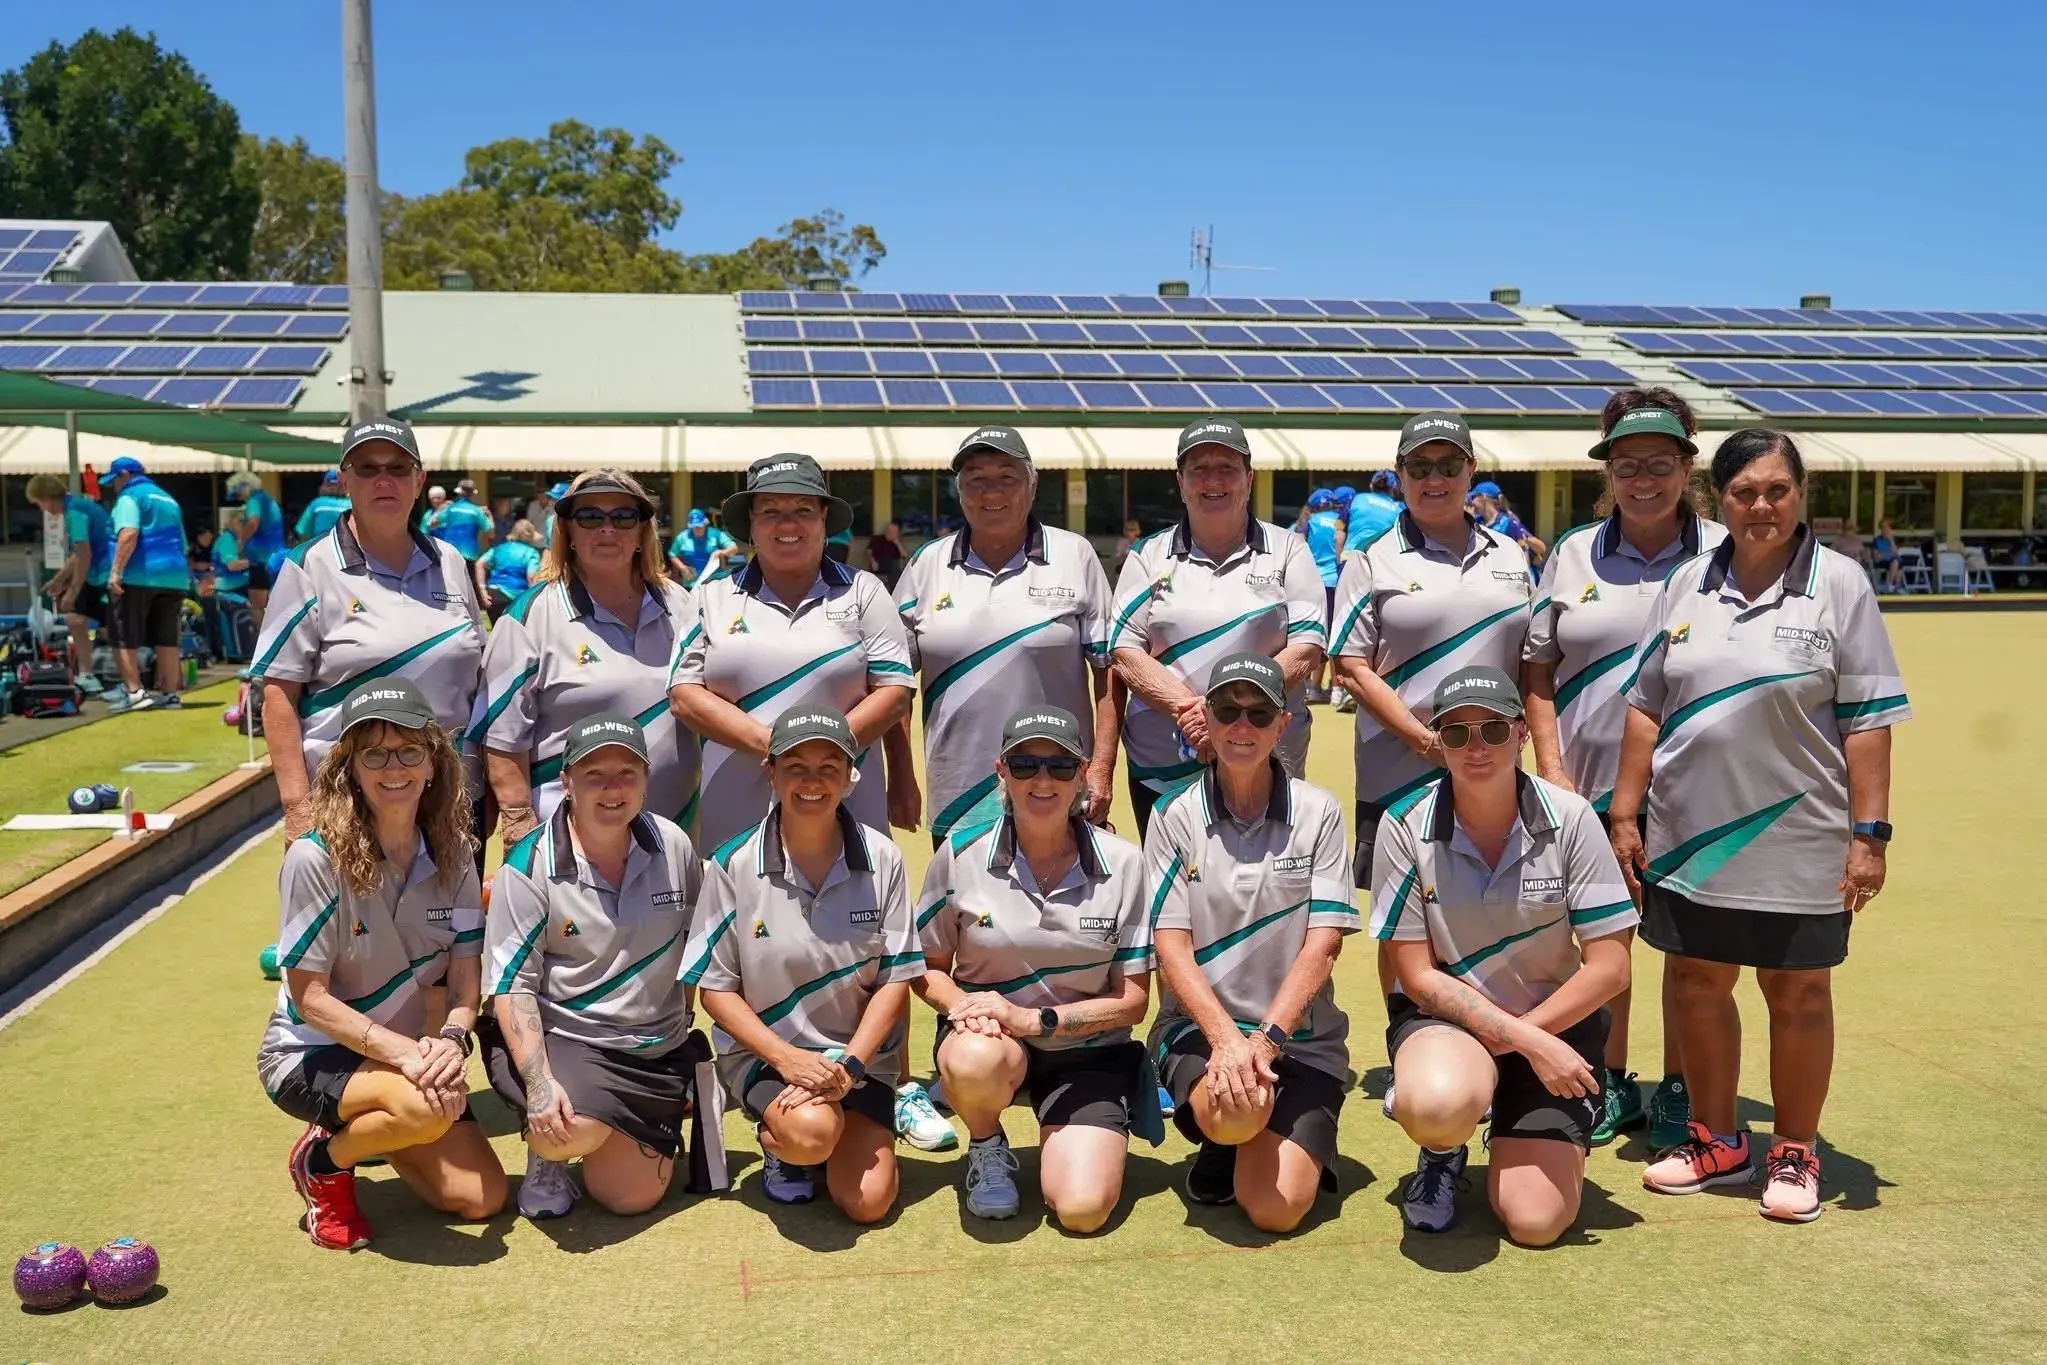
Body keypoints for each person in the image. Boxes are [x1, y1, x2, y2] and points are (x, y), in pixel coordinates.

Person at [1613, 429, 1909, 1224]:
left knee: (1797, 990)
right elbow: (1644, 707)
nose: (1761, 506)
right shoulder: (1683, 584)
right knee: (1697, 982)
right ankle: (1716, 1138)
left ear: (1799, 493)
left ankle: (1793, 1148)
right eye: (1744, 492)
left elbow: (1868, 719)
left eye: (1776, 489)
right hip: (1688, 833)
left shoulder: (1840, 585)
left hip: (1799, 834)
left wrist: (1868, 834)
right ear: (1718, 501)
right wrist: (1623, 813)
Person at [1521, 389, 1728, 1150]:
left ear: (1686, 467)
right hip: (1581, 786)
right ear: (1607, 469)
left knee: (1687, 947)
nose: (1643, 479)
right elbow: (1536, 669)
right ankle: (1607, 1080)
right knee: (1599, 944)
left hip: (1696, 788)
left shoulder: (1723, 550)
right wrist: (1551, 768)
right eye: (1627, 464)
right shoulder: (1571, 552)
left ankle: (1678, 1086)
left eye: (1660, 464)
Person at [1371, 666, 1637, 1241]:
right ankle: (1443, 1149)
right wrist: (1525, 1041)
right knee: (1437, 1104)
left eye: (1492, 730)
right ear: (1437, 740)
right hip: (1450, 1023)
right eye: (1457, 732)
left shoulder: (1572, 818)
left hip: (1556, 1022)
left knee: (1535, 1221)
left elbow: (1612, 967)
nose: (1476, 747)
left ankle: (1510, 1121)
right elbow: (1415, 976)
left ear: (1520, 732)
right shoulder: (1402, 824)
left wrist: (1530, 1037)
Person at [257, 679, 506, 1250]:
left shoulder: (454, 853)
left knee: (481, 1199)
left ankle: (372, 1127)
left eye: (409, 750)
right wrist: (407, 1058)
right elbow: (309, 998)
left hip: (409, 1054)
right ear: (350, 767)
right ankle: (323, 1161)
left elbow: (466, 980)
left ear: (433, 761)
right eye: (375, 753)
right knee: (422, 1105)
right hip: (309, 1053)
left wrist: (449, 1042)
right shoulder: (314, 857)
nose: (394, 767)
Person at [915, 706, 1152, 1229]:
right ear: (1002, 770)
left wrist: (1036, 1021)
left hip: (1088, 1053)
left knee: (1082, 1210)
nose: (1042, 780)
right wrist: (965, 1008)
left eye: (1059, 766)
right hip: (991, 1043)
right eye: (1025, 764)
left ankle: (1082, 1132)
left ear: (1083, 774)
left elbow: (1134, 1000)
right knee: (975, 1058)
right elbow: (926, 968)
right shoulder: (959, 853)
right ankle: (985, 1144)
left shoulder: (1125, 863)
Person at [1330, 412, 1532, 1023]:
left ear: (1472, 471)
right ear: (1400, 476)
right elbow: (1350, 664)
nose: (1435, 479)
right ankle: (1408, 1036)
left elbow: (1530, 658)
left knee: (1491, 903)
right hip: (1400, 768)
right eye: (1419, 467)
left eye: (1449, 466)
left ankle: (1493, 1033)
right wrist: (1423, 740)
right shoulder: (1372, 559)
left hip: (1492, 766)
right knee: (1403, 914)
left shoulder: (1510, 555)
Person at [683, 708, 923, 1221]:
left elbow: (895, 980)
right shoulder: (733, 863)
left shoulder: (884, 858)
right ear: (770, 773)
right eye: (796, 766)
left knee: (868, 1205)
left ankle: (829, 1125)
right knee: (812, 1135)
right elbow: (716, 991)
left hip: (857, 1063)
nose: (812, 782)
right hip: (770, 1058)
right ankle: (782, 1143)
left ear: (850, 775)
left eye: (828, 766)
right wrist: (788, 1061)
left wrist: (851, 1065)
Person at [1146, 653, 1356, 1230]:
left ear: (1282, 725)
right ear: (1205, 721)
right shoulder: (1172, 815)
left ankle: (1266, 1134)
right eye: (1227, 711)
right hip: (1199, 1031)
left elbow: (1325, 944)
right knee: (1234, 1115)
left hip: (1298, 1039)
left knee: (1276, 1211)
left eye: (1259, 713)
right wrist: (1224, 1041)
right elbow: (1171, 946)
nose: (1242, 726)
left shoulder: (1320, 812)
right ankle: (1227, 1136)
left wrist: (1262, 1044)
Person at [482, 714, 709, 1220]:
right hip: (569, 1039)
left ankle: (606, 1127)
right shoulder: (528, 865)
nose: (612, 789)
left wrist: (684, 1022)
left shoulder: (674, 844)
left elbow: (695, 945)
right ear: (566, 782)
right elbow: (511, 987)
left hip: (653, 1047)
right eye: (594, 775)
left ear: (646, 781)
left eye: (627, 773)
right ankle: (547, 1151)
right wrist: (539, 1085)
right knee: (568, 1134)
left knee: (631, 1198)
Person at [249, 418, 488, 842]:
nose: (384, 481)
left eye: (398, 468)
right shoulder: (309, 566)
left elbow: (477, 678)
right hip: (349, 803)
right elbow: (277, 695)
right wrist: (298, 809)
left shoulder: (450, 561)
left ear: (419, 481)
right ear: (345, 480)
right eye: (367, 469)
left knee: (456, 913)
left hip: (450, 803)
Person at [668, 453, 915, 852]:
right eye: (770, 511)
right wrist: (778, 747)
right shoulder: (709, 596)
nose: (787, 523)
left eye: (803, 509)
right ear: (750, 524)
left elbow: (894, 693)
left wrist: (818, 755)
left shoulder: (866, 590)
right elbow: (684, 696)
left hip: (847, 806)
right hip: (734, 815)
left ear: (823, 520)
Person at [887, 426, 1117, 844]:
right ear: (960, 492)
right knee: (964, 910)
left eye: (1006, 477)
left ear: (1032, 486)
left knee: (1065, 907)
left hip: (1058, 787)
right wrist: (901, 775)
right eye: (976, 479)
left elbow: (1109, 674)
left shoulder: (1075, 555)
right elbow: (894, 683)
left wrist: (1101, 769)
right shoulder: (926, 564)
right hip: (958, 799)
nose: (991, 492)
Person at [1110, 418, 1326, 841]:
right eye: (1199, 469)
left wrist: (1226, 716)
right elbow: (1125, 652)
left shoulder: (1288, 550)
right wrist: (1195, 714)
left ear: (1249, 478)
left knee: (1267, 894)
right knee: (1172, 896)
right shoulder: (1147, 556)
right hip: (1163, 768)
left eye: (1226, 468)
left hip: (1265, 758)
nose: (1213, 480)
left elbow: (1306, 647)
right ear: (1181, 481)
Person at [474, 469, 699, 843]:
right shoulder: (529, 617)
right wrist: (519, 829)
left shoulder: (682, 604)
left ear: (643, 531)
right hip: (569, 844)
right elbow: (502, 738)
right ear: (568, 532)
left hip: (675, 840)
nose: (607, 528)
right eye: (590, 517)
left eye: (624, 517)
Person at [103, 455, 192, 713]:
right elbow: (183, 544)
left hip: (140, 575)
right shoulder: (168, 499)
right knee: (167, 637)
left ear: (124, 476)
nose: (114, 486)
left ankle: (134, 692)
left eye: (114, 480)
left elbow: (128, 533)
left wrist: (115, 572)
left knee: (123, 635)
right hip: (174, 576)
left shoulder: (129, 497)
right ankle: (171, 694)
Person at [24, 473, 112, 695]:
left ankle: (126, 677)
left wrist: (71, 591)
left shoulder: (75, 512)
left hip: (106, 573)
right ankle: (88, 675)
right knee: (75, 619)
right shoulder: (77, 506)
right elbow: (79, 554)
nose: (41, 509)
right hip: (98, 572)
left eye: (38, 503)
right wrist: (59, 579)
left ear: (47, 498)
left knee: (110, 628)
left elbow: (85, 554)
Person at [1301, 490, 1345, 704]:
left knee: (1310, 634)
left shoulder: (1308, 522)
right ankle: (1336, 691)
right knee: (1334, 637)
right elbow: (1340, 546)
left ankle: (1311, 687)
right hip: (1334, 582)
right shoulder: (1338, 521)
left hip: (1310, 581)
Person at [226, 471, 286, 629]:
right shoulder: (270, 501)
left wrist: (241, 540)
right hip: (278, 558)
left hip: (260, 559)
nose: (238, 497)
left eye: (238, 492)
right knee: (275, 604)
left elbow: (253, 522)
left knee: (257, 605)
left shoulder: (254, 501)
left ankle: (262, 645)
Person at [475, 518, 544, 620]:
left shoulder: (498, 548)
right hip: (517, 598)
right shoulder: (531, 553)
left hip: (493, 594)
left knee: (497, 633)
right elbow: (531, 577)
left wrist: (482, 590)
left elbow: (479, 564)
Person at [666, 507, 739, 586]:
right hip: (691, 584)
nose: (698, 529)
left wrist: (721, 552)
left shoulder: (715, 534)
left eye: (700, 526)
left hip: (713, 582)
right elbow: (672, 554)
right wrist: (682, 567)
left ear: (705, 523)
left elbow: (734, 548)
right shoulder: (682, 537)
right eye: (695, 527)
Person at [429, 479, 492, 563]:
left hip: (450, 554)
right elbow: (490, 531)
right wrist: (489, 515)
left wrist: (441, 508)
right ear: (473, 494)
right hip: (469, 555)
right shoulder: (477, 511)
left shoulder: (451, 508)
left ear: (458, 493)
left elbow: (432, 523)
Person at [295, 470, 351, 544]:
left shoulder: (317, 504)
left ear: (325, 485)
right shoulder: (351, 504)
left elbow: (302, 533)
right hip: (346, 551)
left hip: (319, 550)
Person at [866, 519, 906, 589]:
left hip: (892, 570)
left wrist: (897, 543)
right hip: (878, 567)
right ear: (887, 532)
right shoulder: (877, 539)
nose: (895, 533)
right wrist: (872, 561)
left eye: (896, 532)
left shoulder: (897, 542)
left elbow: (904, 555)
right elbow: (869, 551)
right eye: (893, 531)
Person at [1871, 518, 1901, 591]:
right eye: (1883, 527)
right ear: (1881, 529)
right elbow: (1876, 556)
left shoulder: (1892, 539)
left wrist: (1891, 540)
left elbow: (1896, 552)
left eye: (1887, 526)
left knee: (1897, 563)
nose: (1885, 529)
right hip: (1881, 562)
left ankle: (1896, 586)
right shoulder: (1878, 540)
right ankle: (1891, 585)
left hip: (1891, 561)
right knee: (1896, 563)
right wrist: (1886, 555)